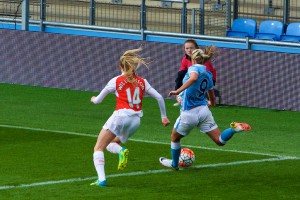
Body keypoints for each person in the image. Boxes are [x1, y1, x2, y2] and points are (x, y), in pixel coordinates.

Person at [159, 49, 251, 170]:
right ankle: (234, 129)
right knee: (219, 141)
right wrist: (212, 103)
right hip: (203, 111)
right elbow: (211, 94)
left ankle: (174, 164)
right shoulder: (208, 74)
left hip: (189, 113)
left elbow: (193, 78)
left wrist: (178, 91)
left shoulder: (194, 68)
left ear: (193, 58)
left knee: (174, 138)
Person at [90, 47, 170, 186]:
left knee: (98, 148)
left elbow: (98, 101)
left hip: (120, 116)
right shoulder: (143, 81)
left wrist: (93, 99)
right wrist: (163, 116)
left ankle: (102, 179)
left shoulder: (116, 81)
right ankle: (120, 150)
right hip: (135, 121)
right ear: (133, 67)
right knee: (111, 143)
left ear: (120, 66)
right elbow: (159, 97)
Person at [173, 39, 199, 106]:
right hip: (192, 78)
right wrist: (177, 91)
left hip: (200, 79)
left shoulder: (201, 59)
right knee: (180, 76)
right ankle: (180, 97)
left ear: (197, 48)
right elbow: (181, 75)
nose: (189, 50)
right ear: (184, 49)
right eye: (187, 48)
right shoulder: (185, 59)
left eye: (191, 48)